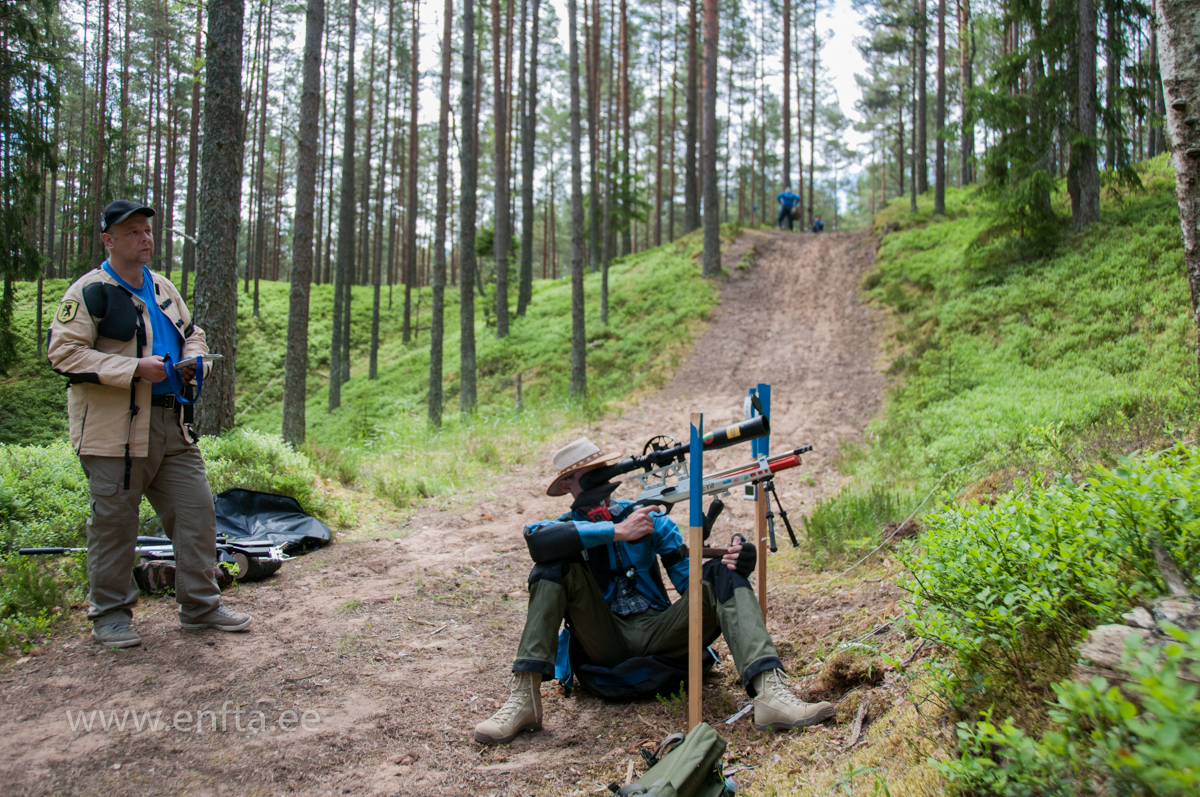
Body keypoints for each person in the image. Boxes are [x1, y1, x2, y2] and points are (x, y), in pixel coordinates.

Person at [473, 438, 835, 745]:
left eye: (603, 468)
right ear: (567, 484)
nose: (603, 476)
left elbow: (688, 583)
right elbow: (539, 543)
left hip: (662, 631)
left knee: (718, 574)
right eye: (588, 471)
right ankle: (523, 699)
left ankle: (770, 692)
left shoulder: (649, 517)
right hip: (604, 640)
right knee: (552, 567)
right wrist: (617, 532)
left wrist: (735, 567)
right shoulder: (561, 528)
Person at [46, 200, 252, 649]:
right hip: (113, 434)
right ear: (109, 240)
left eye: (147, 230)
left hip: (172, 425)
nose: (145, 238)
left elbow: (192, 331)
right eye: (134, 231)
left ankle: (200, 607)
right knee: (114, 525)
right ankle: (111, 616)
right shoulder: (89, 292)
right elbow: (62, 354)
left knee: (196, 514)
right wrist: (134, 368)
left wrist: (196, 361)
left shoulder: (162, 288)